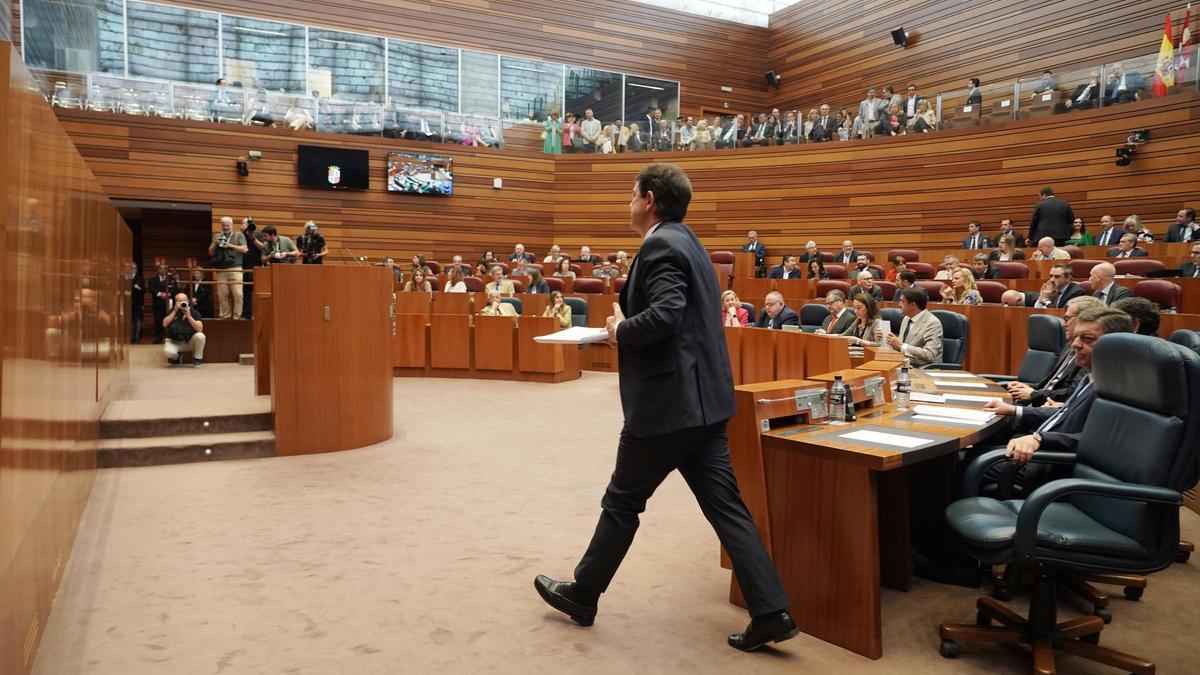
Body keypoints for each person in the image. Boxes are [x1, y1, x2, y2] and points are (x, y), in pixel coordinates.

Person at [534, 163, 796, 652]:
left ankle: (584, 594)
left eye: (631, 194)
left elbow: (667, 315)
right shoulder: (689, 241)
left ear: (650, 198)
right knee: (727, 510)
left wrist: (619, 330)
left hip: (666, 407)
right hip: (705, 405)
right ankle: (771, 610)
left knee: (622, 501)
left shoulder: (660, 244)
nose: (628, 202)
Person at [984, 307, 1134, 460]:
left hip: (1052, 463)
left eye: (1087, 338)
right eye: (1076, 337)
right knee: (981, 446)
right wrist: (1014, 410)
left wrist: (1040, 439)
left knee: (973, 463)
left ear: (1117, 343)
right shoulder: (1091, 378)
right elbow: (1064, 416)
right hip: (1038, 450)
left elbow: (1100, 441)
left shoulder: (1117, 389)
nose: (1075, 344)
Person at [1005, 296, 1100, 406]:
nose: (1064, 324)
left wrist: (1034, 394)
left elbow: (1071, 393)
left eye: (1067, 318)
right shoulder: (1070, 345)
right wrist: (1028, 387)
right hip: (1038, 402)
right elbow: (1052, 383)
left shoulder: (1088, 353)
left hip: (1048, 408)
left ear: (1084, 319)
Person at [886, 288, 944, 367]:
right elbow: (900, 347)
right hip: (905, 366)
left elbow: (930, 355)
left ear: (913, 305)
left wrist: (901, 345)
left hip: (925, 369)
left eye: (902, 302)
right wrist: (888, 340)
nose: (899, 305)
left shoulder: (932, 323)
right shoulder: (906, 319)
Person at [208, 216, 249, 319]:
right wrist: (216, 244)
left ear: (232, 225)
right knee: (222, 294)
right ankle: (225, 316)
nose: (225, 227)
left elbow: (244, 249)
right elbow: (210, 252)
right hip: (221, 268)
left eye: (227, 225)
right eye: (223, 225)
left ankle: (237, 316)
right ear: (221, 225)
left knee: (238, 294)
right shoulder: (217, 236)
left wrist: (230, 245)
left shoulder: (239, 235)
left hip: (236, 267)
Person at [162, 291, 205, 367]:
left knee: (200, 336)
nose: (182, 303)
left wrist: (188, 316)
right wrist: (175, 311)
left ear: (188, 301)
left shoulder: (194, 312)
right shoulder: (172, 311)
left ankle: (197, 359)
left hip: (189, 342)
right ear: (175, 303)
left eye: (183, 301)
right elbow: (164, 324)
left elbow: (200, 329)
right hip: (174, 341)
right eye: (179, 301)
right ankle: (176, 357)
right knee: (168, 352)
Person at [147, 263, 176, 343]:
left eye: (164, 268)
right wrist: (160, 294)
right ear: (158, 270)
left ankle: (171, 337)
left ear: (167, 270)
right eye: (161, 268)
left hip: (168, 304)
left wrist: (168, 294)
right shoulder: (152, 279)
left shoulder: (172, 279)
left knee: (170, 320)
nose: (162, 270)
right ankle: (158, 337)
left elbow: (176, 289)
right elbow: (151, 289)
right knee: (158, 321)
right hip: (158, 304)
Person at [129, 263, 145, 343]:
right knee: (130, 319)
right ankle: (130, 335)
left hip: (137, 302)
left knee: (137, 319)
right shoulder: (125, 277)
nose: (132, 269)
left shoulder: (140, 278)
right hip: (127, 302)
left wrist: (138, 288)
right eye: (130, 267)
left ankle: (137, 336)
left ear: (136, 269)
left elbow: (144, 290)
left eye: (133, 267)